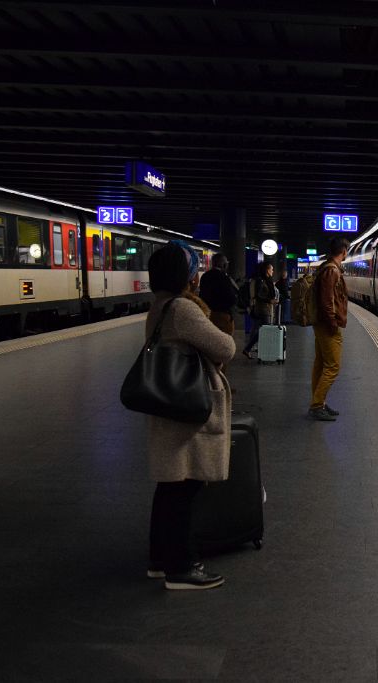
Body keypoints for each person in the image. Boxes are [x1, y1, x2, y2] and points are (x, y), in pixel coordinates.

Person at [145, 242, 235, 590]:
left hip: (168, 405)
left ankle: (159, 559)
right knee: (185, 487)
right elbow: (225, 346)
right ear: (184, 276)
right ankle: (181, 567)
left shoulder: (160, 305)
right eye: (193, 269)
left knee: (169, 487)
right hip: (187, 409)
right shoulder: (183, 309)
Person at [309, 237, 350, 421]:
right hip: (327, 325)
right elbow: (327, 301)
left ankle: (320, 402)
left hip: (322, 323)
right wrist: (333, 323)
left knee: (320, 363)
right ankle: (317, 405)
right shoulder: (332, 271)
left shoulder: (327, 268)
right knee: (333, 366)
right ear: (343, 251)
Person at [242, 261, 278, 358]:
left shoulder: (267, 280)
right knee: (264, 330)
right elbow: (258, 296)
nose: (273, 271)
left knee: (259, 329)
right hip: (262, 309)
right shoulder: (260, 280)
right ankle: (249, 348)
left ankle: (250, 349)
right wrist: (269, 300)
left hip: (265, 308)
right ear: (267, 270)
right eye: (271, 269)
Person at [198, 253, 239, 336]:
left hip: (208, 314)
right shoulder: (224, 277)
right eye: (226, 263)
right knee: (225, 341)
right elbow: (231, 297)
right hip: (223, 315)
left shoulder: (205, 276)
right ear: (223, 264)